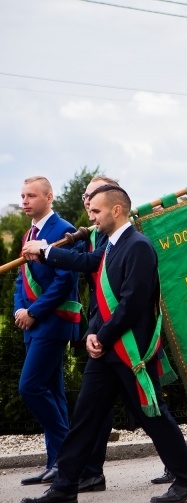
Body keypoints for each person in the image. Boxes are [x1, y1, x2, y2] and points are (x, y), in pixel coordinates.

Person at [21, 184, 187, 503]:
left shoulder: (138, 247)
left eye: (96, 212)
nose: (91, 217)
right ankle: (65, 488)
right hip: (105, 352)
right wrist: (93, 333)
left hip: (130, 352)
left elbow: (131, 305)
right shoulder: (109, 247)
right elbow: (99, 297)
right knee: (84, 419)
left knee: (153, 416)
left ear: (116, 211)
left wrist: (101, 338)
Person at [13, 176, 81, 486]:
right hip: (32, 322)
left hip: (52, 322)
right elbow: (21, 278)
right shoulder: (30, 233)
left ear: (49, 197)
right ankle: (58, 464)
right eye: (23, 196)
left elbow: (65, 281)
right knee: (52, 391)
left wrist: (34, 312)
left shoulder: (62, 230)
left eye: (31, 196)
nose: (25, 201)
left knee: (30, 386)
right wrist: (18, 309)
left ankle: (69, 456)